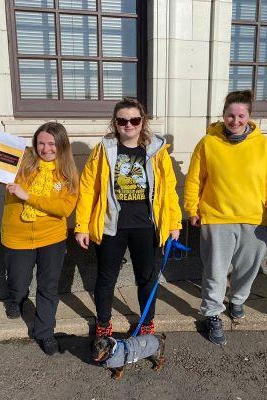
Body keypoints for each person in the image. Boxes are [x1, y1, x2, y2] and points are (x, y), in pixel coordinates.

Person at [0, 122, 78, 355]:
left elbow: (64, 208)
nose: (46, 149)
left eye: (52, 144)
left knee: (48, 287)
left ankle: (45, 333)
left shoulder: (68, 172)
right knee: (18, 281)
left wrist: (28, 196)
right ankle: (16, 299)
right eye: (41, 143)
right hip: (17, 237)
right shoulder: (21, 161)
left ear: (62, 145)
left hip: (52, 238)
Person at [74, 98, 182, 338]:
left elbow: (169, 191)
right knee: (106, 278)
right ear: (115, 123)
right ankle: (103, 324)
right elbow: (88, 189)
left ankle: (146, 322)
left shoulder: (156, 150)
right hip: (112, 226)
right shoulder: (104, 149)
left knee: (147, 278)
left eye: (134, 120)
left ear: (142, 122)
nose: (128, 125)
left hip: (147, 226)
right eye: (122, 120)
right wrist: (81, 226)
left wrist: (174, 224)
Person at [184, 90, 267, 346]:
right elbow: (195, 179)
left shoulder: (263, 145)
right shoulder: (208, 143)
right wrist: (191, 208)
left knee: (247, 269)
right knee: (215, 270)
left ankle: (237, 301)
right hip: (216, 216)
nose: (235, 121)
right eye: (230, 115)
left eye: (241, 116)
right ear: (223, 115)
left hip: (255, 218)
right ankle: (212, 313)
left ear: (249, 117)